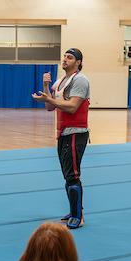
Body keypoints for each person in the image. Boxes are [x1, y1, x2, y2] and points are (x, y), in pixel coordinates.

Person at [32, 48, 90, 229]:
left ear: (78, 62)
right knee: (67, 175)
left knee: (73, 175)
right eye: (64, 56)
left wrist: (49, 99)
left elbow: (72, 107)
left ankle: (78, 216)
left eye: (70, 57)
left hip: (76, 133)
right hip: (63, 133)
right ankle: (74, 210)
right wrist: (45, 87)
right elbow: (50, 107)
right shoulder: (59, 82)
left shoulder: (80, 80)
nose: (65, 59)